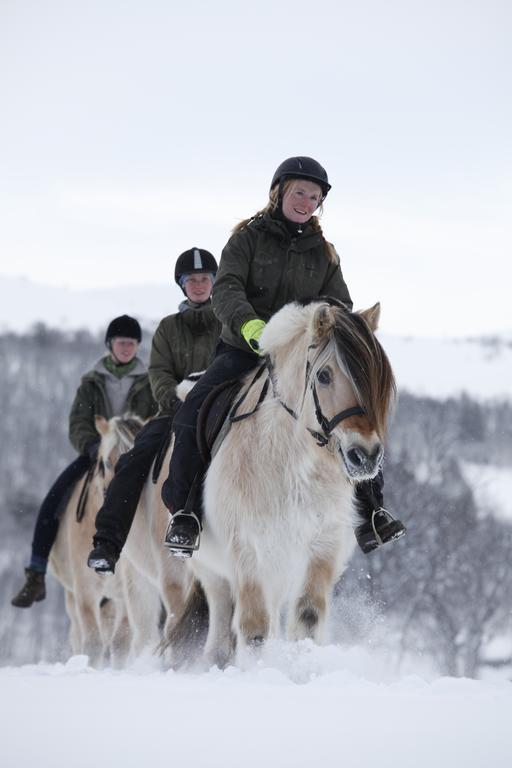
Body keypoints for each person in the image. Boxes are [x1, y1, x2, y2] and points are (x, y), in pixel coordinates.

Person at [162, 156, 406, 557]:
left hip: (300, 356)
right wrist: (251, 326)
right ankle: (186, 514)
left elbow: (338, 303)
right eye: (299, 192)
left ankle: (371, 511)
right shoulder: (246, 239)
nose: (306, 201)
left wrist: (328, 326)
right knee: (193, 413)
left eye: (314, 197)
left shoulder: (325, 253)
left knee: (351, 410)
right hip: (245, 349)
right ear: (279, 192)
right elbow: (226, 290)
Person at [86, 248, 221, 574]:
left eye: (205, 279)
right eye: (193, 280)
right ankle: (108, 542)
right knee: (133, 460)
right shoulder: (168, 328)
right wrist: (172, 398)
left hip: (221, 409)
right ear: (182, 285)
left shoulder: (228, 321)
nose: (199, 285)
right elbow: (159, 372)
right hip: (175, 410)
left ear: (214, 282)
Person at [11, 315, 157, 608]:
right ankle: (36, 572)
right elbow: (78, 421)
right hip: (95, 454)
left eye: (132, 343)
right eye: (121, 342)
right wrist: (92, 446)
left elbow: (153, 418)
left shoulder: (149, 382)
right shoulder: (92, 382)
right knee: (54, 498)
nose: (127, 348)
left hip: (136, 456)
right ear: (110, 345)